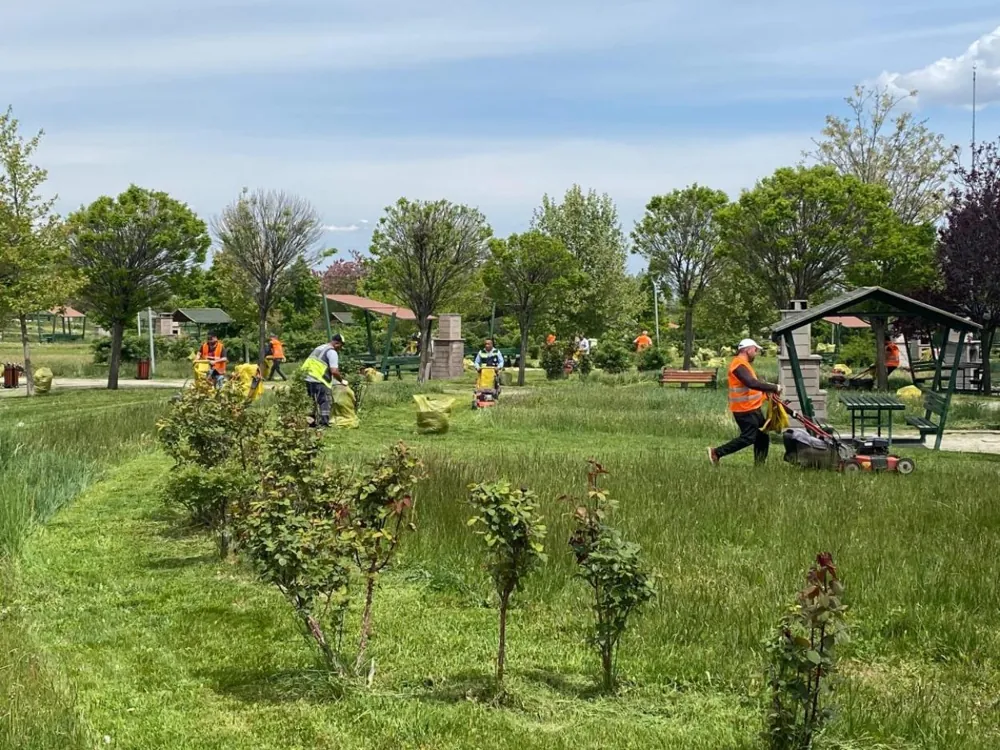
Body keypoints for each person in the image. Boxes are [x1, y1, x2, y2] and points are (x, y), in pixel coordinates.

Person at [708, 338, 782, 466]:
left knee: (763, 437)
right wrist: (774, 387)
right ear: (747, 349)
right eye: (755, 350)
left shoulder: (744, 364)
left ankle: (759, 466)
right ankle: (716, 452)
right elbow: (751, 383)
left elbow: (752, 387)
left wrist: (766, 393)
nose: (756, 353)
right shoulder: (738, 365)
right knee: (748, 437)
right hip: (744, 410)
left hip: (753, 408)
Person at [301, 334, 345, 428]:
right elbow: (334, 371)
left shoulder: (320, 347)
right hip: (319, 380)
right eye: (341, 346)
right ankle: (323, 424)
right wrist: (341, 381)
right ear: (337, 343)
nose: (340, 349)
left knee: (311, 401)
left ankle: (310, 423)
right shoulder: (332, 352)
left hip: (308, 378)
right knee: (324, 401)